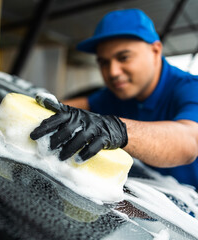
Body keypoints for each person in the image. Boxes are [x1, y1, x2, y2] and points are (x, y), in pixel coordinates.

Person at [30, 8, 198, 189]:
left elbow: (188, 140)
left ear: (156, 50)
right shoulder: (115, 94)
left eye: (124, 57)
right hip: (149, 194)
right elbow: (66, 108)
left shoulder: (190, 88)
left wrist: (118, 129)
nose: (112, 72)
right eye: (104, 62)